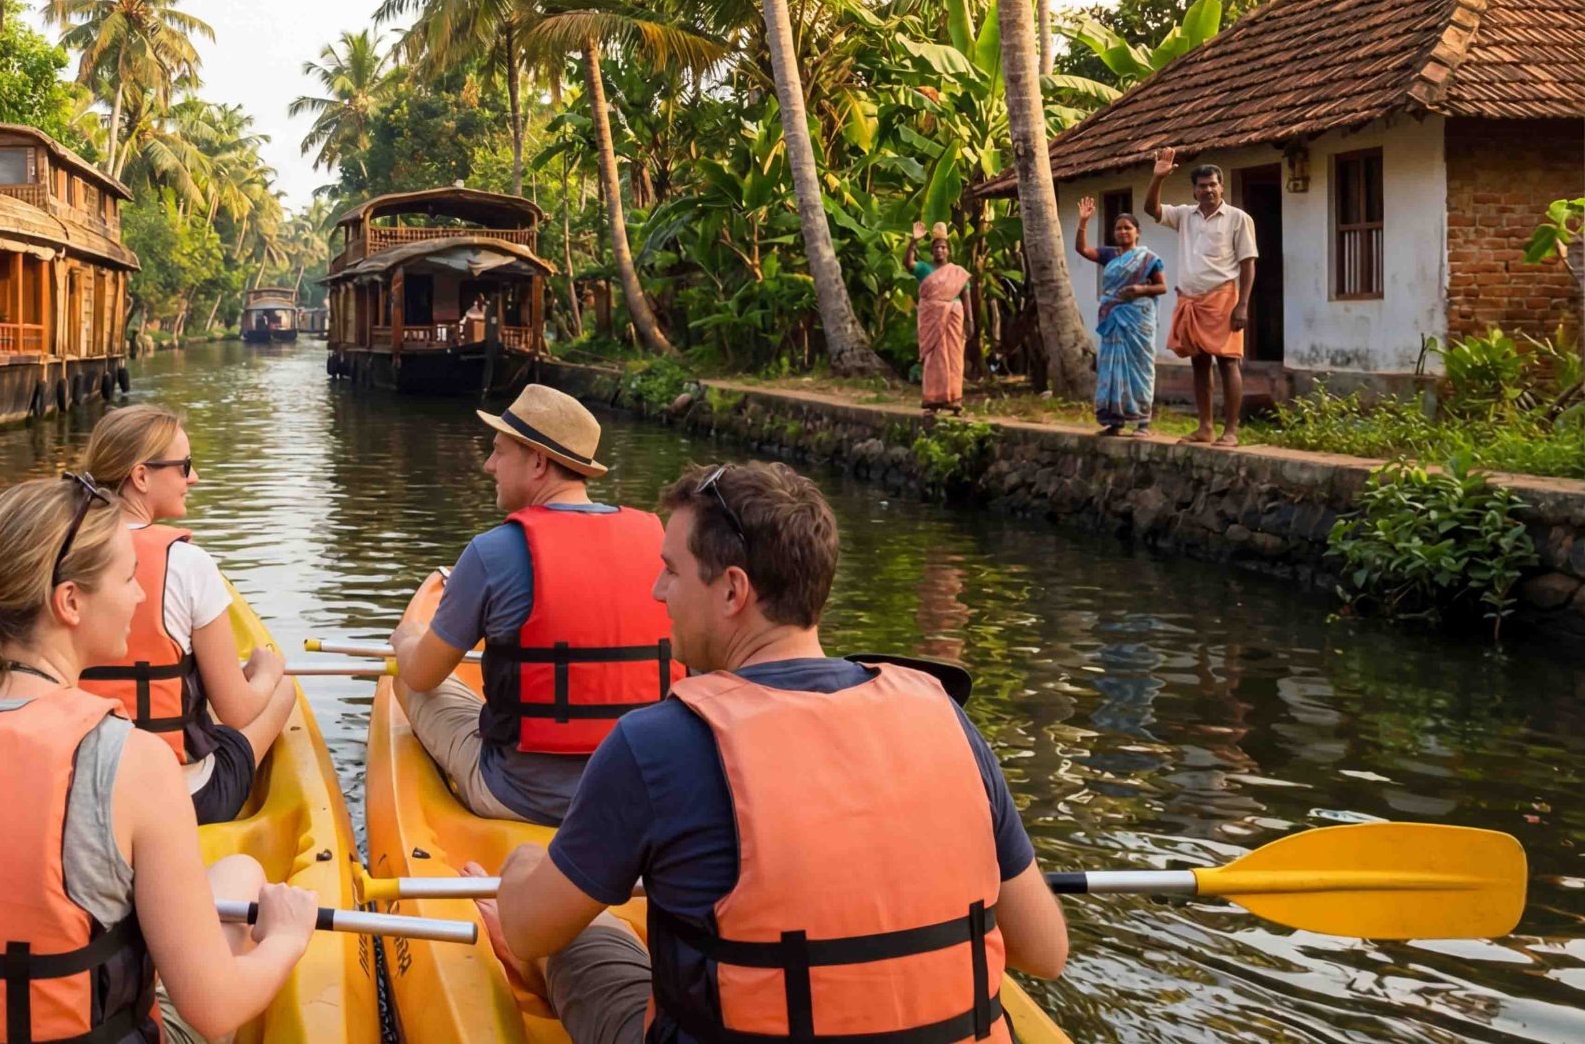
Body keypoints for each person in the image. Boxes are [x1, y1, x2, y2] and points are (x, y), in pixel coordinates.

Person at [476, 461, 1070, 1044]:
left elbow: (530, 931)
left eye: (671, 571)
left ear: (733, 589)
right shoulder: (946, 717)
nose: (657, 592)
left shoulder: (657, 743)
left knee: (582, 936)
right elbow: (1043, 951)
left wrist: (520, 872)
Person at [0, 474, 318, 1044]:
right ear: (70, 602)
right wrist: (288, 934)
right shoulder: (133, 760)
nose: (140, 595)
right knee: (242, 878)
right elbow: (217, 1009)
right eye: (127, 579)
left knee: (228, 877)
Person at [387, 383, 679, 826]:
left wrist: (405, 639)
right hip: (640, 800)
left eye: (499, 452)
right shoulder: (661, 545)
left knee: (405, 683)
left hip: (518, 797)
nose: (488, 466)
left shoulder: (493, 552)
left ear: (538, 461)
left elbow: (421, 674)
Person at [80, 404, 298, 825]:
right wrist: (267, 672)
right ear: (141, 476)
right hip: (183, 801)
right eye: (184, 467)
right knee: (283, 689)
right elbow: (237, 712)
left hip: (80, 792)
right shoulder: (187, 563)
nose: (193, 478)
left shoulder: (56, 550)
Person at [1146, 149, 1258, 447]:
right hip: (1190, 301)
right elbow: (1151, 210)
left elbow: (1248, 263)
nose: (1207, 189)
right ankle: (1205, 427)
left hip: (1223, 298)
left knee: (1228, 363)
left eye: (1213, 184)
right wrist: (1158, 178)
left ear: (1222, 186)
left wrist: (1243, 304)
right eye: (1202, 185)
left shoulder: (1238, 219)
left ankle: (1231, 431)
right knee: (1198, 363)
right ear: (1194, 190)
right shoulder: (1184, 215)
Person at [1074, 200, 1166, 436]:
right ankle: (1114, 421)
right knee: (1111, 369)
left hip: (1138, 320)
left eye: (1128, 228)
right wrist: (1083, 221)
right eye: (1118, 228)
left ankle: (1143, 421)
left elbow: (1161, 287)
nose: (1123, 232)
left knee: (1141, 369)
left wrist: (1139, 290)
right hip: (1114, 319)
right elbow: (1083, 250)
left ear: (1137, 232)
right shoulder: (1108, 254)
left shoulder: (1148, 259)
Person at [906, 220, 973, 414]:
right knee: (935, 359)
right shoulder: (924, 269)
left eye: (943, 247)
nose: (940, 250)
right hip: (932, 319)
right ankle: (934, 400)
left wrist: (970, 321)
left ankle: (955, 400)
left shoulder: (957, 273)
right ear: (932, 250)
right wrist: (914, 241)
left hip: (954, 316)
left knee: (954, 358)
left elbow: (966, 295)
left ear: (948, 251)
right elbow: (908, 264)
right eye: (936, 247)